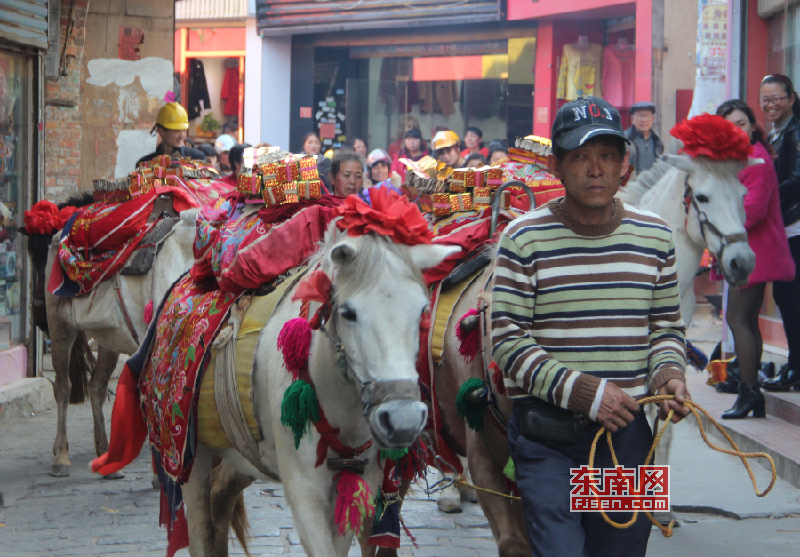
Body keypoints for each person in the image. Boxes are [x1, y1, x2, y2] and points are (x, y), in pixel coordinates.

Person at [491, 96, 689, 557]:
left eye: (607, 156)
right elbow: (508, 342)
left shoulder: (654, 236)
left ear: (624, 165)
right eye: (579, 156)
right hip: (547, 436)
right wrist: (587, 394)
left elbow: (665, 327)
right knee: (559, 549)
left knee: (620, 550)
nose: (595, 169)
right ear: (557, 166)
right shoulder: (523, 237)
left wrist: (668, 374)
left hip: (626, 434)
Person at [715, 100, 795, 416]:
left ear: (752, 126)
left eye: (742, 123)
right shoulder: (738, 158)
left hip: (753, 252)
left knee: (738, 319)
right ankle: (751, 394)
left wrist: (720, 223)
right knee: (747, 320)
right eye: (728, 126)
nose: (736, 130)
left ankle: (749, 393)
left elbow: (753, 210)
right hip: (749, 250)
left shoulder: (756, 159)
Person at [759, 75, 800, 392]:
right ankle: (795, 365)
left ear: (791, 98)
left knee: (792, 300)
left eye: (777, 98)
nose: (771, 104)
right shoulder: (774, 134)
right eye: (765, 99)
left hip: (795, 227)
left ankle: (796, 368)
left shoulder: (796, 131)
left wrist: (767, 196)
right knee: (787, 300)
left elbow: (797, 179)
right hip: (782, 227)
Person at [136, 102, 205, 166]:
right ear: (162, 131)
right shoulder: (145, 164)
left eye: (184, 130)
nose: (182, 135)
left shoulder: (197, 159)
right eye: (176, 130)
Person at [625, 101, 663, 173]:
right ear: (632, 119)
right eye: (640, 116)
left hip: (652, 183)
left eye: (647, 116)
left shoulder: (657, 140)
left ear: (652, 118)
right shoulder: (625, 139)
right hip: (630, 183)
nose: (643, 120)